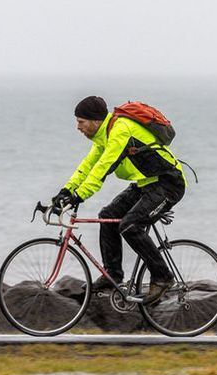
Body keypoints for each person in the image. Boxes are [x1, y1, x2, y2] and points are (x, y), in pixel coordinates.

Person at [52, 96, 186, 304]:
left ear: (95, 120)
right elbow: (88, 166)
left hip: (168, 184)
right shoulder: (104, 135)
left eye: (81, 122)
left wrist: (79, 196)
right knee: (108, 215)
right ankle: (112, 275)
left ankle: (163, 277)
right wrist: (66, 191)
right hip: (145, 183)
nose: (78, 127)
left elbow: (104, 168)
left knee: (130, 225)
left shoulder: (120, 130)